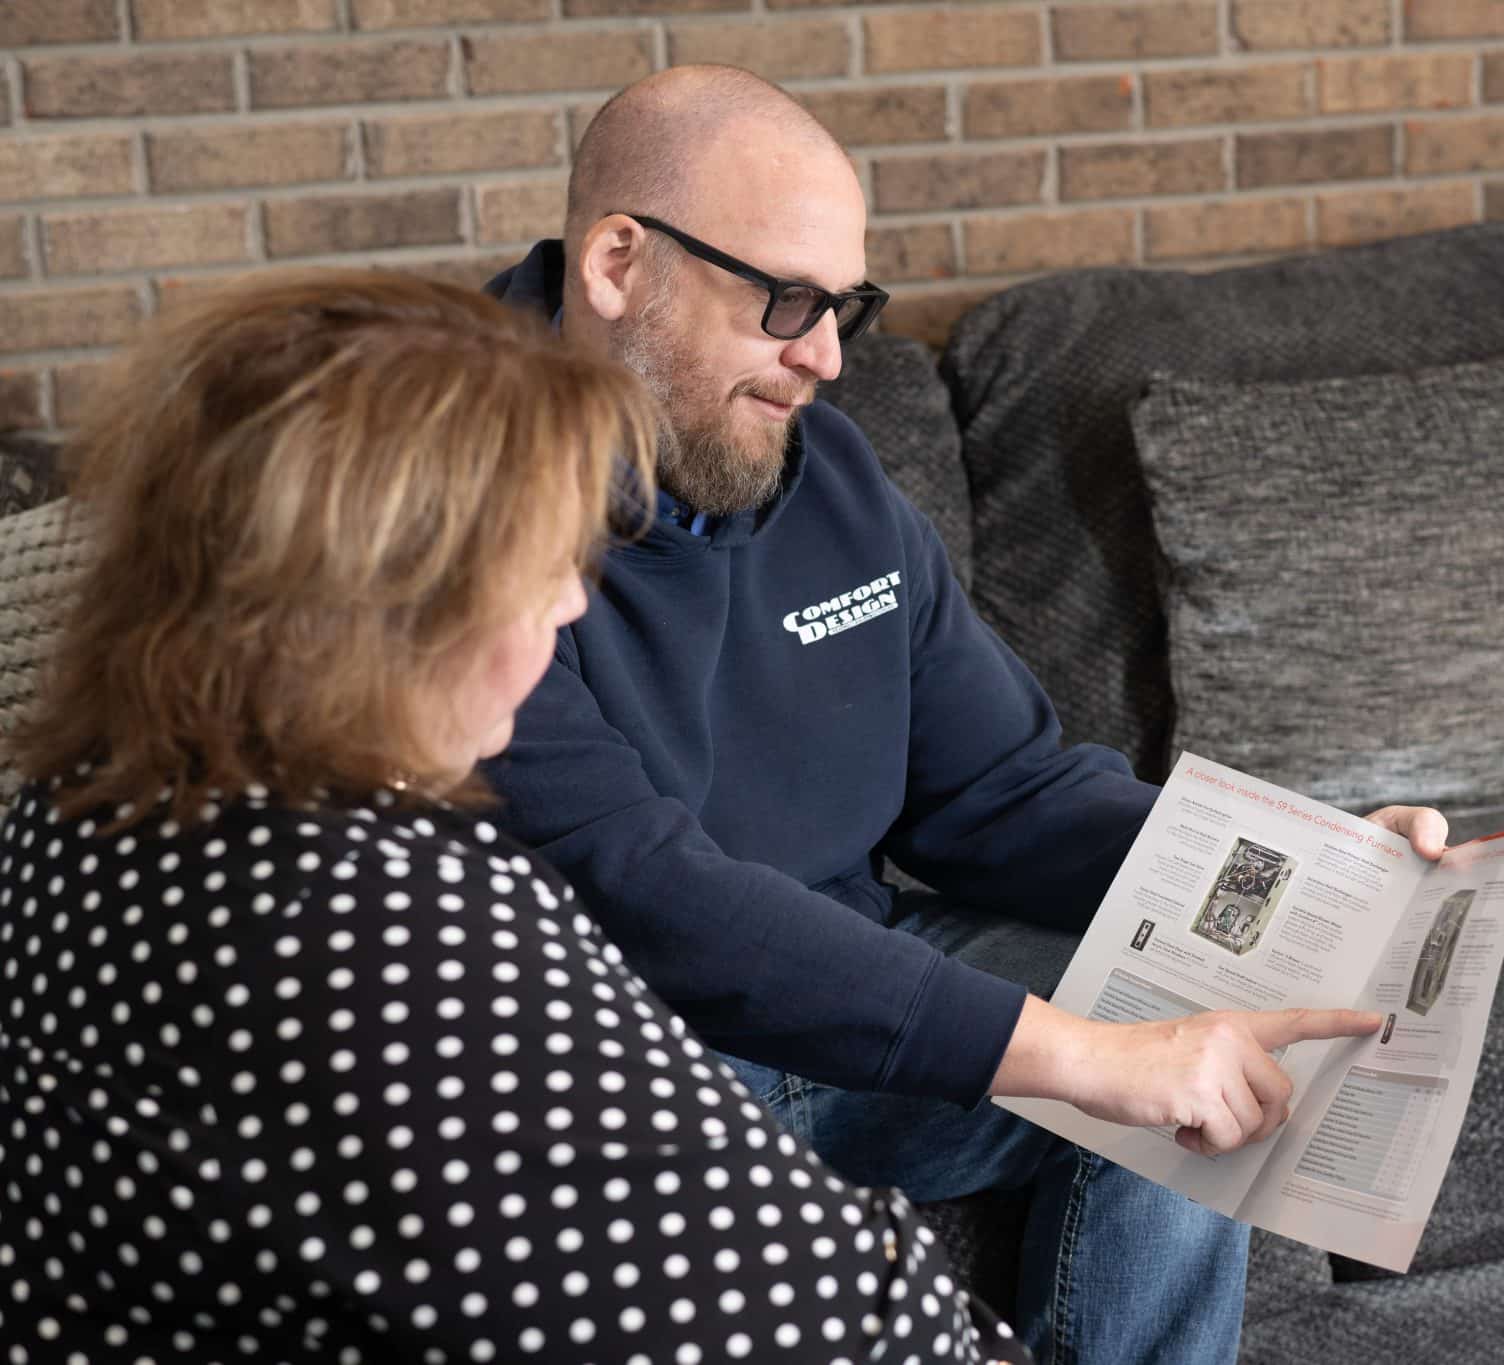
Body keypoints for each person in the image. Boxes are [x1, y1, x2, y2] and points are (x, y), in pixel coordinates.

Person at [484, 65, 1450, 1365]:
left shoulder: (820, 473)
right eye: (785, 304)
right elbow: (640, 890)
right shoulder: (443, 492)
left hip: (855, 1013)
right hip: (634, 1069)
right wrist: (1078, 1054)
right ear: (616, 264)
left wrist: (1300, 866)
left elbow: (1002, 791)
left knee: (1216, 1060)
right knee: (1144, 1056)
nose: (823, 359)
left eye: (846, 310)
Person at [0, 272, 1026, 1363]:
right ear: (401, 591)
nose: (573, 602)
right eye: (544, 562)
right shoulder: (377, 925)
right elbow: (824, 1317)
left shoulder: (81, 806)